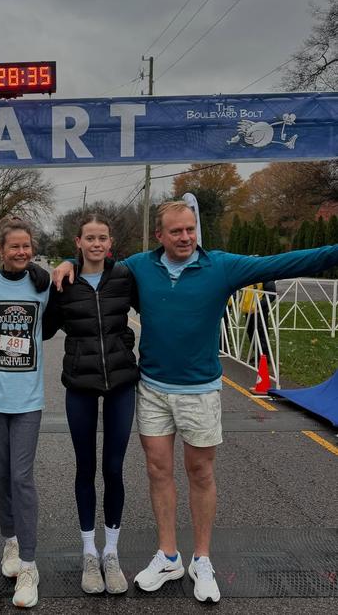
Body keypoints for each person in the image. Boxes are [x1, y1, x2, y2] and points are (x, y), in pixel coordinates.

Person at [53, 201, 338, 604]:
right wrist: (68, 259)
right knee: (157, 471)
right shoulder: (139, 267)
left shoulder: (221, 266)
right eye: (176, 232)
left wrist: (334, 251)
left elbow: (283, 262)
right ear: (160, 236)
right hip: (151, 387)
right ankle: (168, 555)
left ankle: (201, 559)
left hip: (200, 389)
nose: (185, 237)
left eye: (190, 230)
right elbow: (95, 259)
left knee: (201, 473)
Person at [43, 214, 138, 595]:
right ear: (78, 242)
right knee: (85, 467)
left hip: (121, 383)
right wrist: (54, 283)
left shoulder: (124, 277)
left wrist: (128, 344)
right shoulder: (65, 281)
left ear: (109, 242)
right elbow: (48, 328)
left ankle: (111, 553)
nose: (96, 244)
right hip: (79, 384)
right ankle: (88, 552)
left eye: (102, 238)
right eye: (90, 239)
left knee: (113, 468)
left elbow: (154, 309)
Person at [0, 216, 51, 608]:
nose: (21, 252)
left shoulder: (43, 285)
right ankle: (11, 542)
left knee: (21, 478)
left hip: (28, 400)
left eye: (26, 246)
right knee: (0, 475)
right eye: (14, 246)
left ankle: (30, 566)